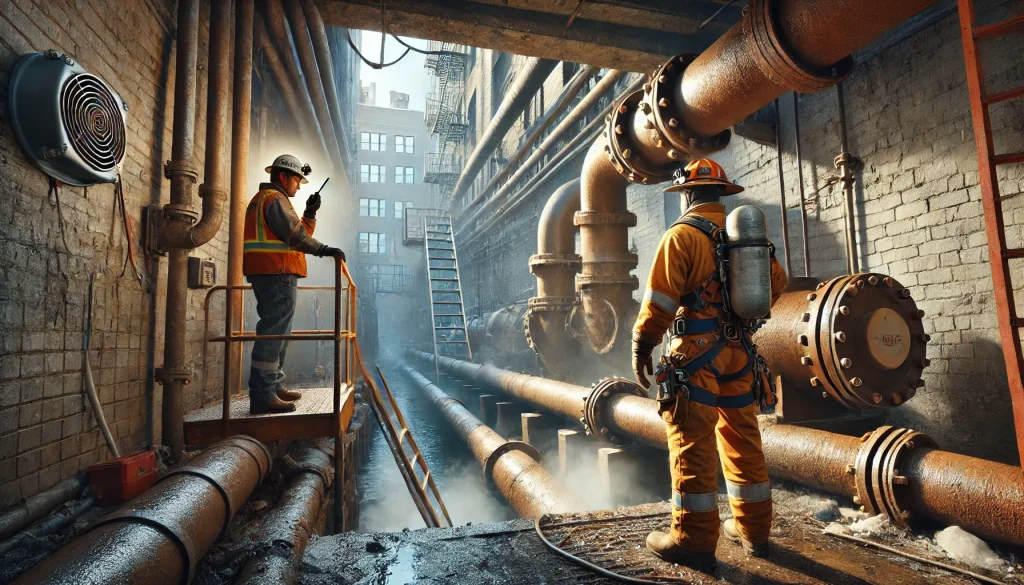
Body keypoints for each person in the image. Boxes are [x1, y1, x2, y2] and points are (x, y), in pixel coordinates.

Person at [632, 158, 788, 573]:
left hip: (697, 360)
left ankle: (692, 540)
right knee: (743, 439)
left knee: (692, 441)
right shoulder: (744, 238)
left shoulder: (682, 236)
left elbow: (660, 301)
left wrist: (641, 345)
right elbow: (777, 282)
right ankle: (754, 532)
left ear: (686, 194)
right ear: (722, 193)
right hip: (739, 354)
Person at [242, 154, 345, 414]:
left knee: (278, 332)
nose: (299, 186)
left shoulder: (264, 200)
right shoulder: (275, 200)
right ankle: (264, 394)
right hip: (277, 272)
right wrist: (325, 250)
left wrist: (310, 213)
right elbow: (296, 237)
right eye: (297, 181)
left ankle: (273, 386)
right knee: (274, 333)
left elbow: (296, 234)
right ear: (283, 177)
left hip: (271, 272)